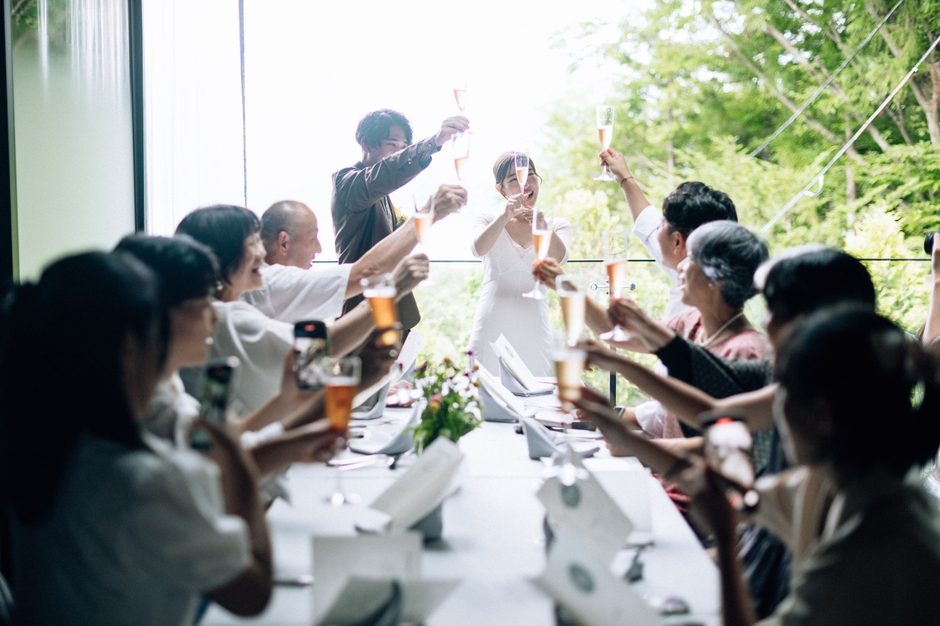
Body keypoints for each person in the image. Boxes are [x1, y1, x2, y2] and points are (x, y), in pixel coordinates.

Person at [0, 252, 281, 624]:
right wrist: (233, 451)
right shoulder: (153, 482)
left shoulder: (34, 451)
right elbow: (253, 593)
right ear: (131, 350)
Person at [115, 235, 393, 476]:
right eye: (252, 242)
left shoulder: (169, 387)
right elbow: (217, 475)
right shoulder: (144, 427)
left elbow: (222, 444)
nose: (213, 315)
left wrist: (285, 402)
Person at [176, 204, 426, 415]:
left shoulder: (215, 314)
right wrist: (390, 290)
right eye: (253, 244)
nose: (262, 252)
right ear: (222, 257)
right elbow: (316, 351)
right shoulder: (224, 319)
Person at [246, 186, 467, 323]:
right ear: (284, 243)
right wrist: (429, 214)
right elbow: (368, 272)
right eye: (313, 238)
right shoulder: (272, 284)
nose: (319, 249)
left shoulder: (272, 288)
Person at [332, 109, 469, 328]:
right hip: (361, 308)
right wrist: (433, 142)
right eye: (392, 145)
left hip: (390, 308)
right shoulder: (347, 182)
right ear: (366, 144)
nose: (398, 153)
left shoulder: (381, 194)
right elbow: (385, 172)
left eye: (403, 148)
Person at [600, 148, 738, 320]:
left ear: (677, 242)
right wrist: (623, 177)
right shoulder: (708, 278)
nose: (657, 228)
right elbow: (647, 222)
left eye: (662, 223)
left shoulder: (695, 313)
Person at [468, 152, 571, 376]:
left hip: (535, 324)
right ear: (501, 190)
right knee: (483, 393)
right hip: (492, 320)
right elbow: (478, 249)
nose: (525, 182)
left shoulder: (557, 224)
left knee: (540, 393)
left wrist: (541, 223)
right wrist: (505, 216)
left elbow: (560, 258)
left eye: (530, 175)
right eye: (513, 179)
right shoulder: (487, 219)